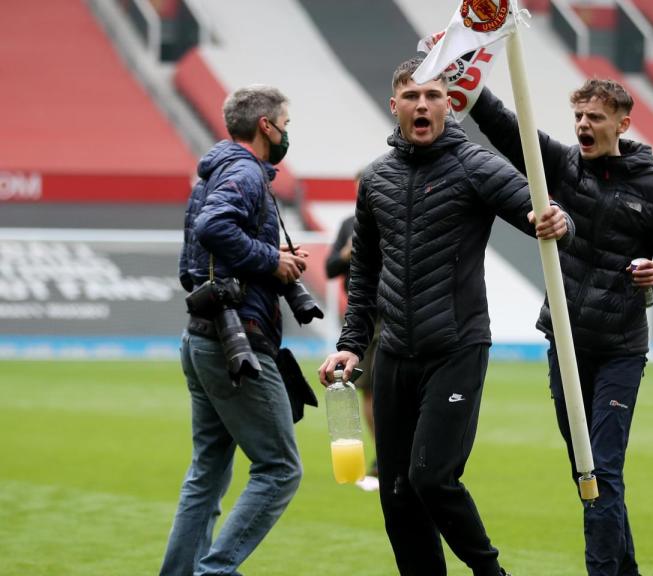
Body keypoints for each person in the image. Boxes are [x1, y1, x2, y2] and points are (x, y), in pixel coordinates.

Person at [317, 57, 573, 576]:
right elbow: (363, 271)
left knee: (431, 479)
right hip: (393, 353)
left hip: (456, 347)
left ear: (449, 104)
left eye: (433, 95)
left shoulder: (475, 165)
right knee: (396, 493)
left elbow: (537, 210)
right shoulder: (376, 178)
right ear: (395, 106)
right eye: (412, 96)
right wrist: (350, 343)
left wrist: (557, 220)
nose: (423, 105)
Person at [468, 80, 653, 575]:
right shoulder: (563, 165)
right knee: (587, 476)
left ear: (622, 124)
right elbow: (509, 130)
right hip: (566, 344)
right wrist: (470, 86)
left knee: (601, 472)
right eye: (578, 117)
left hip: (620, 350)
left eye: (594, 117)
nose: (583, 126)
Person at [163, 85, 310, 576]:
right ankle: (216, 571)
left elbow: (198, 257)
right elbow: (214, 227)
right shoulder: (245, 172)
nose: (286, 134)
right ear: (266, 125)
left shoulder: (214, 172)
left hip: (202, 336)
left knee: (207, 473)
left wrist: (271, 259)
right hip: (236, 342)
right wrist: (271, 260)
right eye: (285, 125)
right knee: (280, 469)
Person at [325, 209, 379, 479]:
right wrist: (347, 254)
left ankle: (400, 453)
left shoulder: (395, 213)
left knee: (391, 387)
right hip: (362, 315)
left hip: (396, 311)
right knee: (369, 389)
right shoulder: (349, 223)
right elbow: (330, 268)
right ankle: (383, 454)